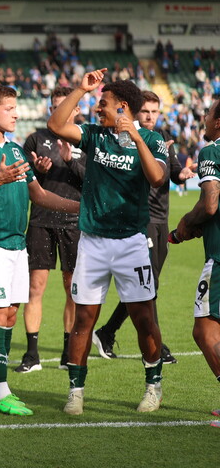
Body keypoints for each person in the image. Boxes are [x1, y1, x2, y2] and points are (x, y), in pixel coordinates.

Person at [47, 69, 169, 415]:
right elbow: (57, 126)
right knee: (84, 319)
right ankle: (76, 390)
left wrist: (138, 137)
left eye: (103, 103)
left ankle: (153, 385)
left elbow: (158, 178)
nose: (98, 108)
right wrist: (80, 90)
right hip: (93, 242)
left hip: (131, 242)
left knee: (144, 318)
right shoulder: (94, 135)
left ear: (123, 107)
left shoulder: (154, 139)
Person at [0, 84, 79, 416]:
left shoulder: (14, 151)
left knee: (10, 314)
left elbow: (38, 195)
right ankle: (1, 392)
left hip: (16, 243)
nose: (16, 113)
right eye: (9, 108)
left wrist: (79, 207)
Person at [92, 91, 195, 364]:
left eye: (155, 112)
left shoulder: (160, 139)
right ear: (136, 113)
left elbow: (171, 173)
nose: (150, 116)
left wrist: (183, 174)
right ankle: (155, 347)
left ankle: (107, 331)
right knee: (149, 284)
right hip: (142, 219)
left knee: (151, 283)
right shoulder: (128, 137)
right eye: (146, 111)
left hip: (162, 219)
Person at [15, 86, 85, 373]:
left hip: (74, 222)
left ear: (76, 109)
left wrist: (70, 161)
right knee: (35, 288)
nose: (60, 110)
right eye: (56, 106)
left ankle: (68, 353)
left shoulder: (87, 138)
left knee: (72, 289)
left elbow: (92, 180)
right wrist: (39, 171)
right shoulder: (35, 138)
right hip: (41, 220)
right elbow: (22, 177)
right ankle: (32, 355)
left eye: (65, 106)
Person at [171, 98, 220, 428]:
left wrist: (183, 227)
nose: (203, 117)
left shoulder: (212, 151)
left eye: (208, 113)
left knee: (204, 331)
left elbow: (210, 205)